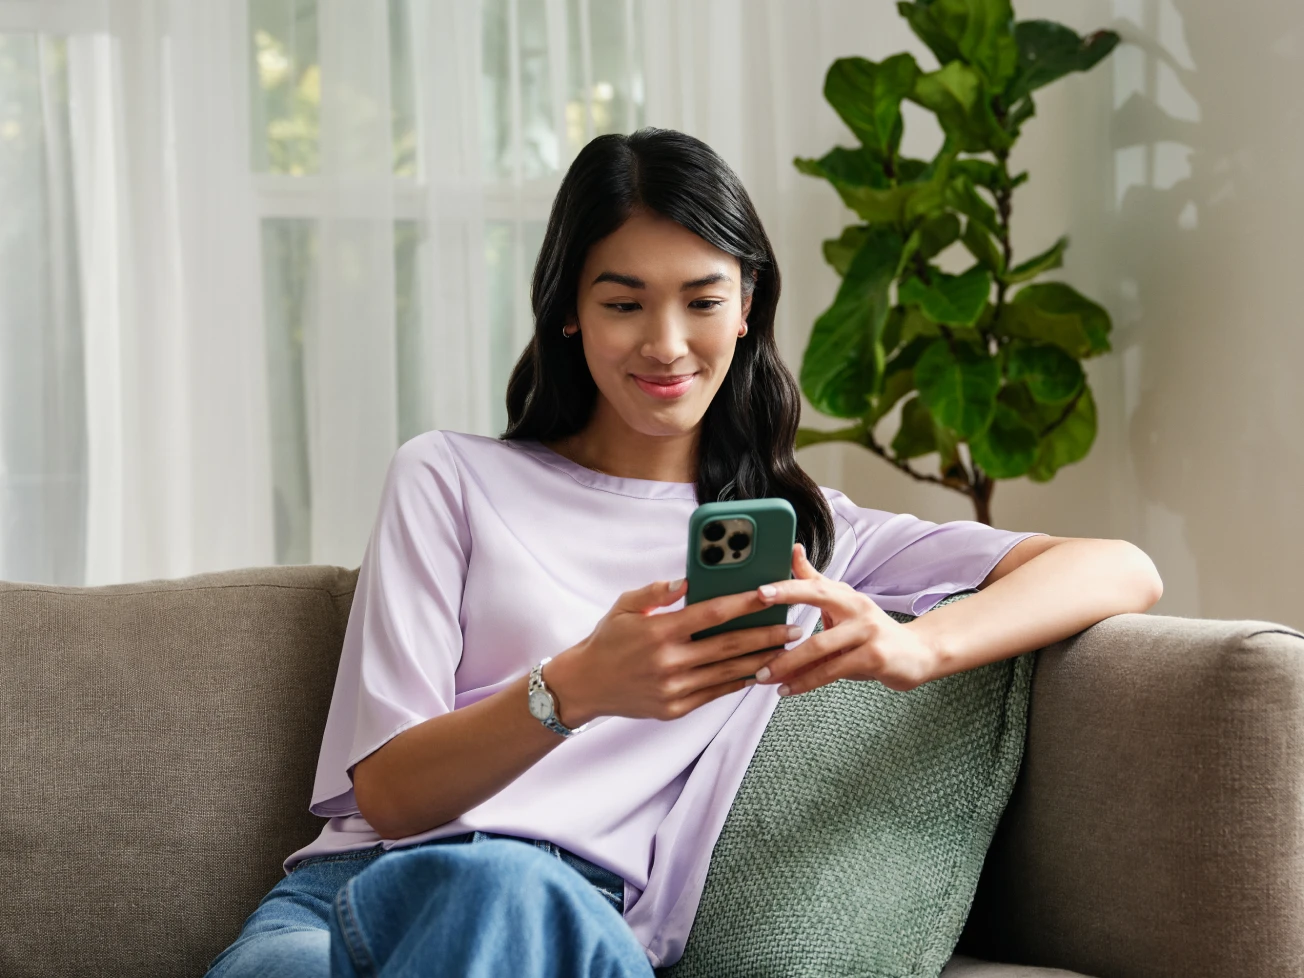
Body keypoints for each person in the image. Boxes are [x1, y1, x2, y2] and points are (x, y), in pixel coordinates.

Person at [205, 127, 1163, 978]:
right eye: (624, 303)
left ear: (747, 307)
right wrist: (573, 688)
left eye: (702, 300)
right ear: (570, 311)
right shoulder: (448, 478)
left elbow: (1120, 567)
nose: (666, 346)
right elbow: (392, 794)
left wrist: (920, 648)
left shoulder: (810, 533)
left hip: (574, 921)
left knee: (504, 892)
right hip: (348, 907)